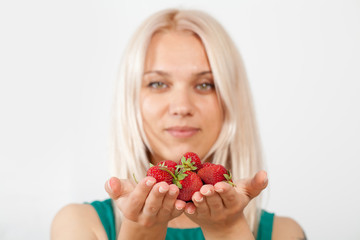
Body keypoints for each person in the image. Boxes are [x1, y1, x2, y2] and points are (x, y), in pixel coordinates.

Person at [51, 8, 306, 240]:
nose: (182, 106)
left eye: (205, 84)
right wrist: (141, 231)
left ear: (230, 100)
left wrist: (228, 232)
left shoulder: (283, 233)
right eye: (158, 84)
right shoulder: (79, 226)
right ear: (131, 100)